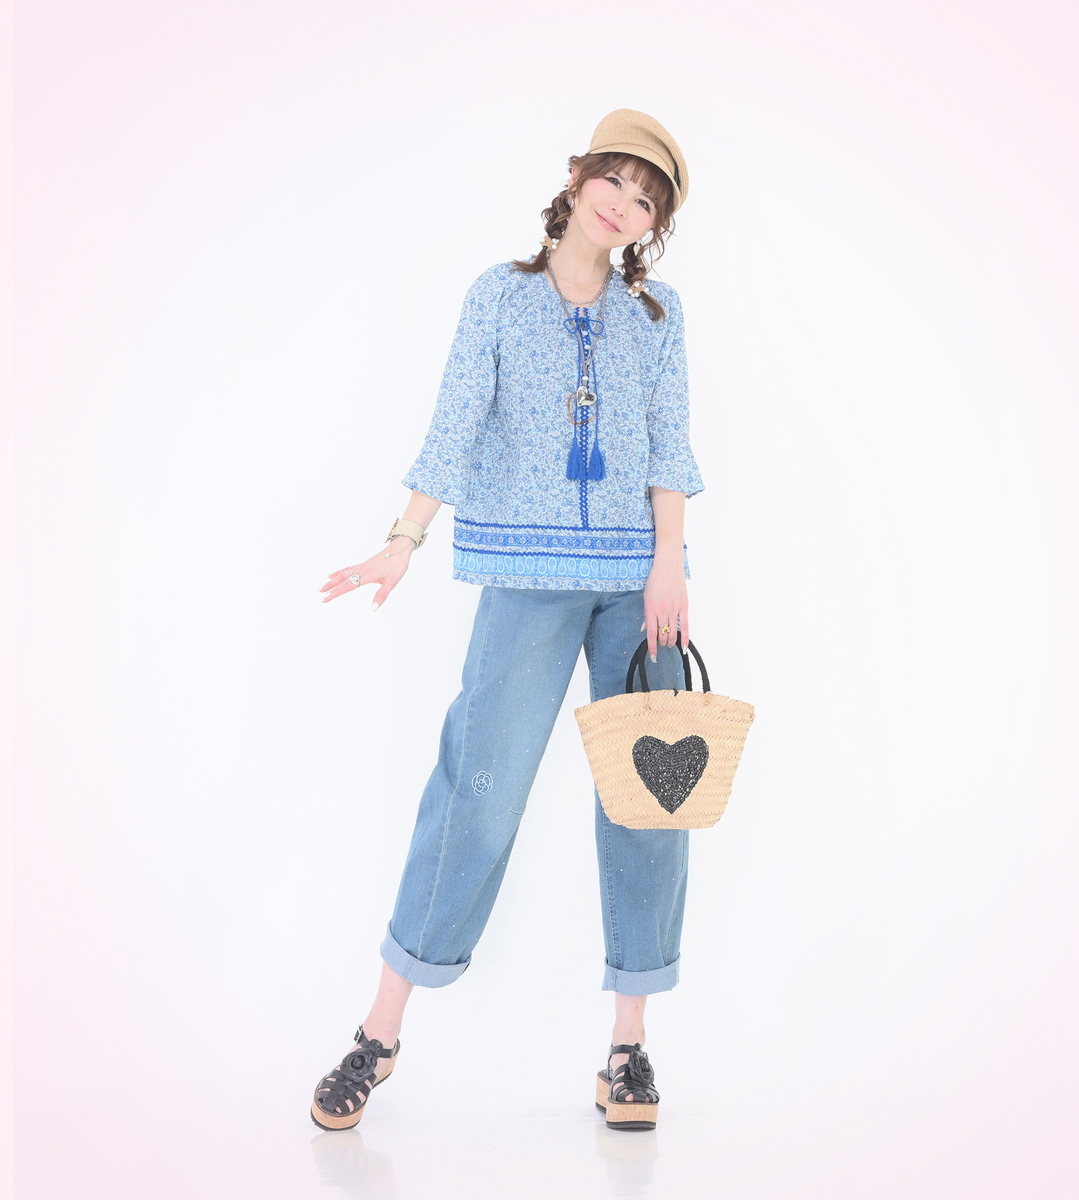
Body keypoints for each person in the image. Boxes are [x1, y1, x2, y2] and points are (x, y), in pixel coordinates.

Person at [311, 109, 703, 1134]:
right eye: (616, 180)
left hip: (639, 588)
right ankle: (379, 1034)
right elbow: (454, 423)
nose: (625, 204)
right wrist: (403, 539)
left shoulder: (657, 315)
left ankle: (628, 1051)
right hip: (524, 578)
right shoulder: (498, 296)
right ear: (577, 179)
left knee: (647, 801)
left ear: (650, 225)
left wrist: (670, 562)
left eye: (647, 200)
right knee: (475, 792)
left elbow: (670, 442)